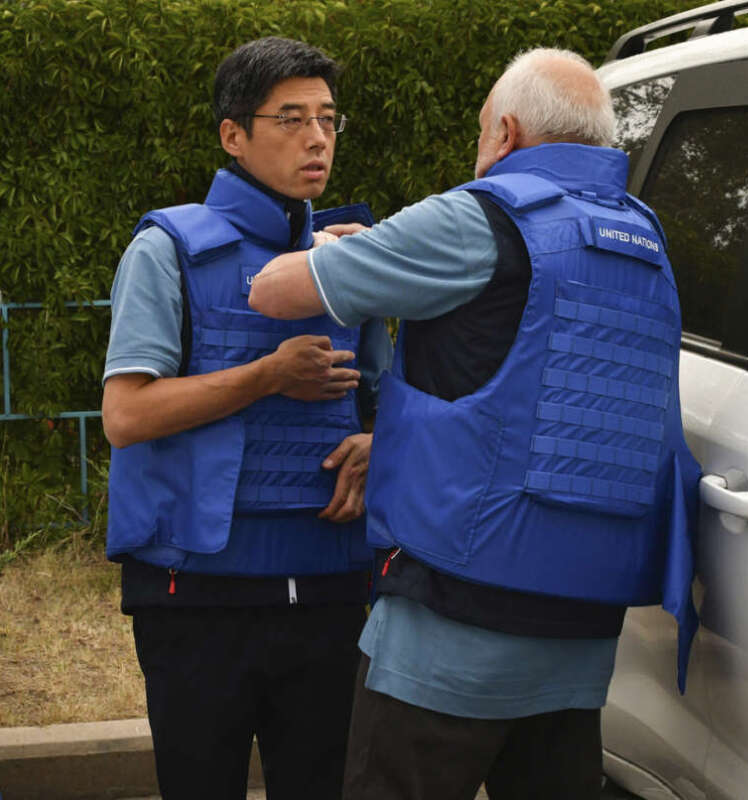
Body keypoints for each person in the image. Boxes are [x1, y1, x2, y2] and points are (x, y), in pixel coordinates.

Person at [249, 48, 701, 800]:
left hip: (452, 619)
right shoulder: (643, 239)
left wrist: (336, 248)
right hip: (583, 629)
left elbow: (276, 291)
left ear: (506, 132)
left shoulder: (480, 216)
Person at [101, 37, 390, 800]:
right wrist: (266, 376)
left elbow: (397, 407)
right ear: (233, 134)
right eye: (290, 118)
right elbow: (125, 416)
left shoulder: (353, 258)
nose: (316, 137)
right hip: (196, 594)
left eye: (328, 119)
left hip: (332, 584)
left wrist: (375, 443)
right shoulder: (164, 251)